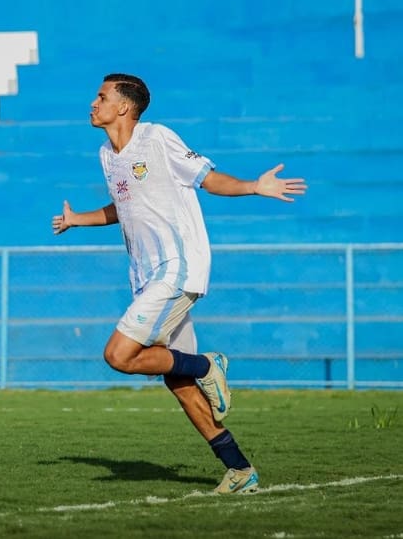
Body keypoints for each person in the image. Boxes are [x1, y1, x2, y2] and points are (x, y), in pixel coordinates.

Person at [52, 73, 307, 494]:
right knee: (179, 382)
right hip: (145, 276)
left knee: (119, 354)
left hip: (177, 267)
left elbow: (207, 178)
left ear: (123, 107)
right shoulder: (106, 154)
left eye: (101, 96)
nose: (92, 103)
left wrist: (254, 187)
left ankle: (209, 364)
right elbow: (125, 205)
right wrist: (81, 218)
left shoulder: (157, 138)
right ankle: (240, 470)